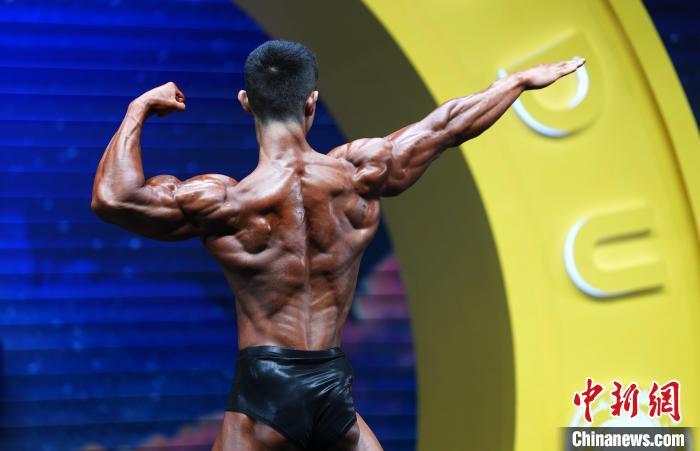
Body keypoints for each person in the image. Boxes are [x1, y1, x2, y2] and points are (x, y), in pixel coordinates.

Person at [91, 39, 584, 450]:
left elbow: (114, 198)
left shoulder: (226, 202)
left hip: (264, 391)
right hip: (332, 389)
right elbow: (448, 125)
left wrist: (139, 110)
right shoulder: (360, 176)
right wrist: (516, 83)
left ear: (246, 102)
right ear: (312, 101)